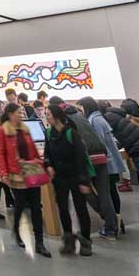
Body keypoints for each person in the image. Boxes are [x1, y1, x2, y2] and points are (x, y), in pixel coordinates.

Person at [0, 102, 49, 257]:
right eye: (19, 112)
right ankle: (17, 231)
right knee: (20, 205)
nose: (21, 115)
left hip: (31, 171)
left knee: (36, 206)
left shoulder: (25, 129)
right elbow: (1, 153)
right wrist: (4, 172)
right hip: (16, 173)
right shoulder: (2, 130)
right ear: (11, 114)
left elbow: (32, 148)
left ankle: (39, 242)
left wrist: (40, 162)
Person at [44, 103, 94, 255]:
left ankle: (85, 241)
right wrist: (49, 165)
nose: (46, 117)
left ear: (57, 116)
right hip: (59, 178)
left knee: (81, 208)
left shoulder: (71, 133)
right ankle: (68, 240)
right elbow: (47, 154)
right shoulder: (48, 133)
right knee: (63, 209)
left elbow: (81, 158)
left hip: (75, 176)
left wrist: (84, 181)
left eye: (48, 115)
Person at [79, 97, 125, 239]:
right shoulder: (98, 119)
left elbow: (99, 143)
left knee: (107, 194)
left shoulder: (96, 120)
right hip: (107, 161)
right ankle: (115, 221)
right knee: (109, 193)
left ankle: (114, 223)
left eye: (81, 108)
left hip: (105, 161)